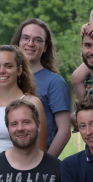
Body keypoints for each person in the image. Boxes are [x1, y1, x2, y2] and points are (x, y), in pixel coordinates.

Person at [0, 45, 47, 167]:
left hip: (20, 166)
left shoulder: (33, 103)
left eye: (8, 66)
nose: (2, 71)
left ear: (19, 70)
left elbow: (40, 151)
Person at [12, 18, 72, 156]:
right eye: (25, 38)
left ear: (45, 47)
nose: (30, 43)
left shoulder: (55, 82)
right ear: (18, 42)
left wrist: (45, 165)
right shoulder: (9, 79)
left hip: (37, 162)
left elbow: (64, 132)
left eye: (38, 40)